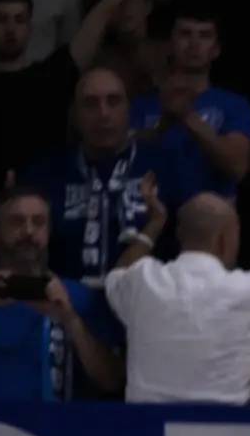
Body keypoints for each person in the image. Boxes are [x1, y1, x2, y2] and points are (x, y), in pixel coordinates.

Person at [103, 188, 250, 403]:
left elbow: (115, 276)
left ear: (180, 236)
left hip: (148, 432)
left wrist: (154, 224)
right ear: (222, 241)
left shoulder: (143, 280)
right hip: (230, 432)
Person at [0, 0, 155, 192]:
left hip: (47, 205)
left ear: (31, 26)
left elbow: (103, 13)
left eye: (19, 19)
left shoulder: (52, 77)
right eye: (1, 20)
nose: (11, 29)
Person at [27, 64, 176, 284]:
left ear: (129, 110)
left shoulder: (166, 166)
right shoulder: (43, 173)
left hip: (149, 304)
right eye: (90, 104)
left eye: (114, 101)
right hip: (66, 301)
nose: (103, 114)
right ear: (75, 115)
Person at [0, 185, 123, 401]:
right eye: (16, 221)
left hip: (59, 431)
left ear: (49, 231)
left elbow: (111, 382)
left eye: (38, 222)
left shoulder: (80, 297)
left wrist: (71, 320)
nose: (29, 231)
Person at [129, 0, 250, 206]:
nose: (194, 44)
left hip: (208, 227)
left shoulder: (234, 105)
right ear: (170, 44)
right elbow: (117, 154)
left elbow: (238, 166)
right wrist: (161, 127)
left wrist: (187, 116)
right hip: (146, 218)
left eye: (205, 35)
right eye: (185, 33)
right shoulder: (141, 103)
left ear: (216, 49)